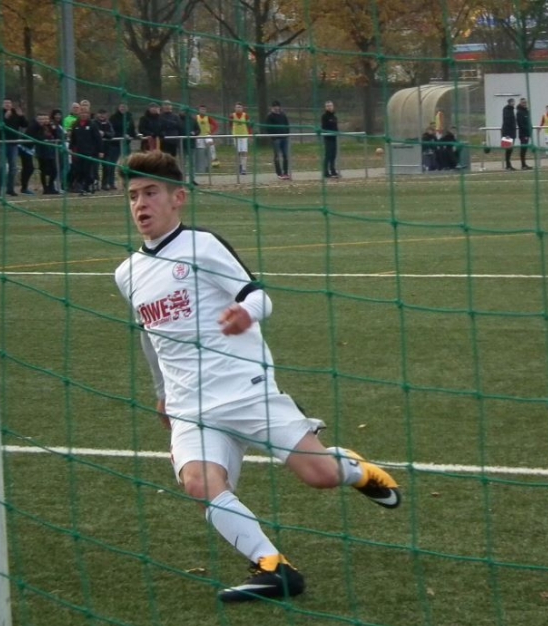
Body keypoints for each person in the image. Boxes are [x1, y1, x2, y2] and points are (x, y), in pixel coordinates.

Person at [114, 151, 402, 603]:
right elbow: (149, 338)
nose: (140, 204)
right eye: (133, 196)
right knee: (199, 483)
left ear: (178, 198)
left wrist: (245, 314)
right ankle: (272, 567)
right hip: (190, 406)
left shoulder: (202, 246)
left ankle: (353, 468)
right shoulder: (127, 273)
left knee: (319, 475)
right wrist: (162, 393)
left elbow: (259, 296)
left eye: (151, 193)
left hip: (245, 390)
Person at [0, 98, 28, 197]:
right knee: (1, 167)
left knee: (13, 167)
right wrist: (5, 118)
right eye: (5, 103)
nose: (7, 104)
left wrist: (22, 116)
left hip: (13, 143)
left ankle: (10, 189)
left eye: (9, 103)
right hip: (2, 143)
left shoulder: (15, 113)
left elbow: (25, 125)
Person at [68, 105, 104, 194]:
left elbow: (98, 138)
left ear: (88, 114)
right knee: (79, 170)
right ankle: (88, 184)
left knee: (87, 170)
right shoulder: (75, 125)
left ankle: (86, 187)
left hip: (90, 152)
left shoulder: (92, 125)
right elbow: (73, 138)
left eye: (85, 113)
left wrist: (100, 151)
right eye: (82, 113)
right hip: (79, 152)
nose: (83, 115)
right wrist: (71, 148)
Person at [264, 100, 291, 180]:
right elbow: (268, 128)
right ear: (272, 107)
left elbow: (287, 124)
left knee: (285, 155)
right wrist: (273, 136)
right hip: (276, 139)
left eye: (277, 106)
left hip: (284, 138)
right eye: (274, 106)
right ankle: (279, 173)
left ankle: (285, 172)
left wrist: (286, 133)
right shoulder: (270, 116)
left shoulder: (283, 115)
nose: (276, 108)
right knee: (277, 156)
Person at [95, 109, 118, 190]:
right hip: (96, 149)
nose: (102, 115)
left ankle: (104, 184)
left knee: (106, 167)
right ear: (97, 114)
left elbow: (112, 134)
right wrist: (98, 134)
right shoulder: (94, 123)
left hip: (106, 149)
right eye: (100, 113)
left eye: (103, 114)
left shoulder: (108, 124)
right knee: (95, 167)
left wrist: (104, 133)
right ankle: (96, 184)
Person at [195, 105, 220, 172]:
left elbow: (215, 125)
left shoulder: (208, 118)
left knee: (211, 145)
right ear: (199, 110)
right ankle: (203, 167)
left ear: (206, 110)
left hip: (207, 135)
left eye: (204, 109)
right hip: (199, 136)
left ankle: (214, 159)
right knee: (201, 152)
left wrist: (211, 132)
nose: (202, 111)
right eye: (201, 109)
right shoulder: (196, 117)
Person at [230, 102, 252, 175]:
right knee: (238, 152)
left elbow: (249, 126)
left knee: (244, 152)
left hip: (244, 135)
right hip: (236, 136)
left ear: (242, 108)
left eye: (240, 107)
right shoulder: (232, 116)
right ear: (235, 108)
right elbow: (230, 125)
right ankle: (240, 166)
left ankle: (244, 168)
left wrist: (250, 134)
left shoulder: (245, 115)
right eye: (237, 107)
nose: (238, 109)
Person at [321, 100, 339, 178]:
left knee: (333, 155)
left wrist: (337, 132)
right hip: (328, 138)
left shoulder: (334, 117)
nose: (329, 107)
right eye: (328, 106)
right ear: (325, 108)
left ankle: (333, 170)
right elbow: (324, 127)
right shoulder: (324, 117)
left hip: (334, 138)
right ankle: (325, 172)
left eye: (330, 106)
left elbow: (335, 127)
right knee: (328, 155)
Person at [516, 97, 533, 170]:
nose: (524, 104)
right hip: (523, 134)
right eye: (523, 103)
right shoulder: (519, 112)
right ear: (520, 103)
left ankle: (524, 164)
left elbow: (528, 122)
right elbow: (520, 124)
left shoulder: (526, 111)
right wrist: (526, 131)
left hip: (527, 133)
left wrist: (530, 130)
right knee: (523, 149)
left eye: (525, 102)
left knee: (525, 149)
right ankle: (523, 165)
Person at [500, 98, 517, 171]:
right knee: (508, 149)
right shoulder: (506, 109)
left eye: (514, 102)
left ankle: (509, 165)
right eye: (512, 102)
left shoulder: (512, 110)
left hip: (512, 132)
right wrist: (506, 134)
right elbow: (506, 121)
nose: (514, 103)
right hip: (507, 132)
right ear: (509, 102)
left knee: (510, 149)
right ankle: (507, 165)